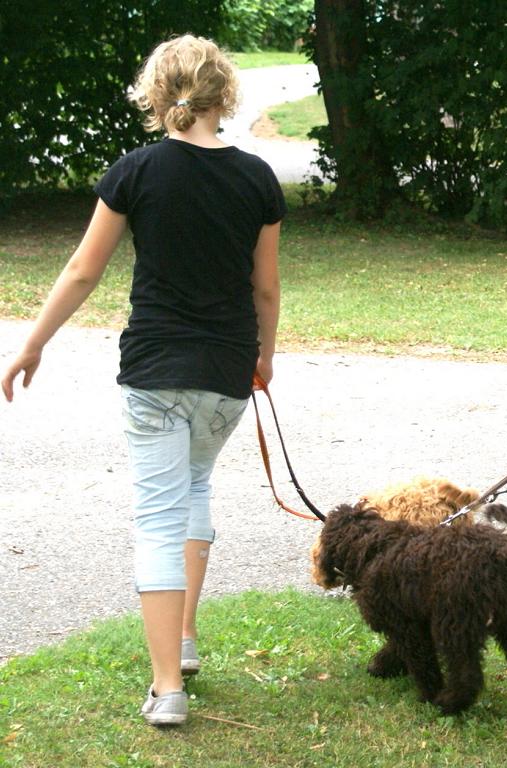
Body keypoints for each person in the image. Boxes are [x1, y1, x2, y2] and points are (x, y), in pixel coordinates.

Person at [1, 35, 284, 727]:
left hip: (156, 370)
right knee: (193, 490)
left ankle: (167, 688)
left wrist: (31, 345)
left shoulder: (136, 170)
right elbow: (266, 290)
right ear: (226, 96)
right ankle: (183, 640)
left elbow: (81, 270)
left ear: (157, 97)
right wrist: (264, 358)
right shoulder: (257, 179)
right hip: (225, 372)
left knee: (160, 516)